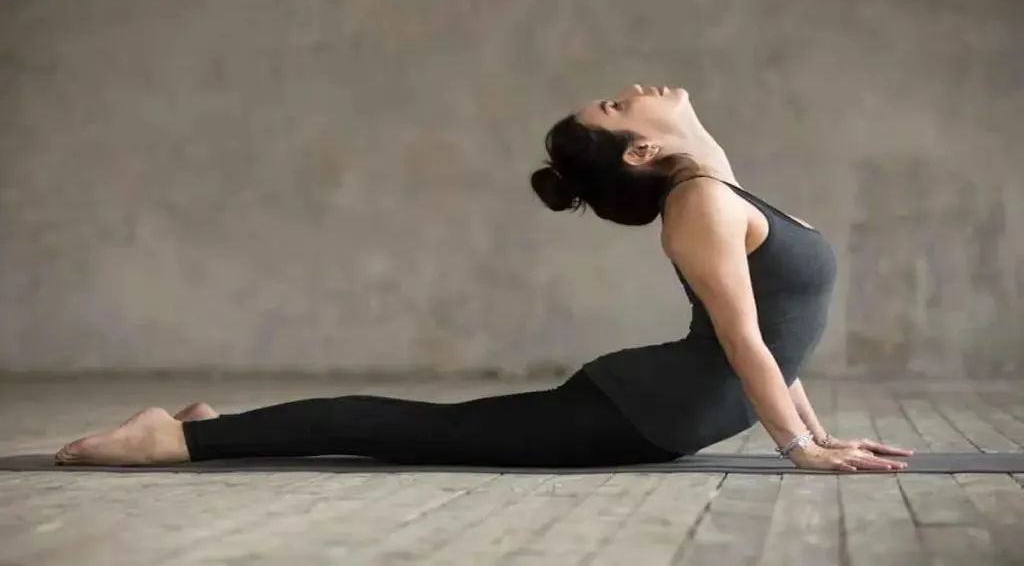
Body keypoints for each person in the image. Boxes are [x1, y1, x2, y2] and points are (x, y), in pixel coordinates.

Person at [55, 84, 914, 471]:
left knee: (415, 430)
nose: (632, 90)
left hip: (668, 407)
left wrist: (823, 434)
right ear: (647, 151)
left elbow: (774, 336)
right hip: (640, 415)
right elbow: (743, 340)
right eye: (617, 107)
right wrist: (800, 448)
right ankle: (175, 441)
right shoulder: (700, 206)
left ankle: (224, 429)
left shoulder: (714, 185)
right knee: (405, 432)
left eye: (612, 101)